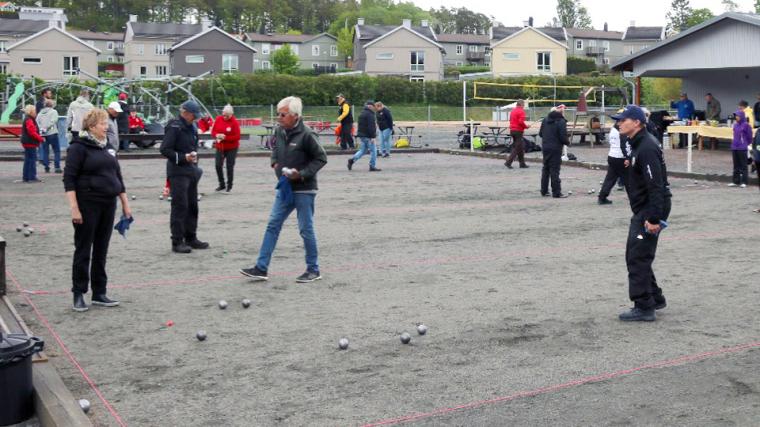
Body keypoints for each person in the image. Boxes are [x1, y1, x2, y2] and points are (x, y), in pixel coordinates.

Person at [240, 96, 327, 283]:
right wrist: (274, 162)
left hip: (304, 189)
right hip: (285, 188)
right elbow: (274, 148)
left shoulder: (307, 135)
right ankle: (261, 268)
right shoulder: (280, 131)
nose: (278, 117)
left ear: (295, 116)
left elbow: (321, 158)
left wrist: (302, 173)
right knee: (273, 225)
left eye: (283, 114)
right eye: (278, 113)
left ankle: (313, 269)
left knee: (306, 229)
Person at [63, 109, 132, 312]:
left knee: (102, 249)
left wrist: (125, 203)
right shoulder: (78, 147)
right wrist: (74, 208)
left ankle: (99, 292)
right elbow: (69, 179)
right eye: (103, 124)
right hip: (87, 204)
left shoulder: (108, 147)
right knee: (84, 249)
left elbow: (117, 176)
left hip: (108, 203)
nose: (107, 126)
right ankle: (78, 292)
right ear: (92, 126)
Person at [611, 105, 671, 322]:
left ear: (636, 122)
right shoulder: (637, 144)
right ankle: (655, 297)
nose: (618, 123)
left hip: (650, 208)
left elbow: (656, 185)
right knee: (639, 254)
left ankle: (644, 306)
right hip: (646, 207)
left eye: (622, 119)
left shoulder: (646, 146)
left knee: (637, 256)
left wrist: (654, 218)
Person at [160, 100, 209, 253]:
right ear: (185, 113)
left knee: (192, 205)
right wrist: (183, 157)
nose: (195, 119)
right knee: (180, 207)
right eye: (193, 116)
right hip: (177, 172)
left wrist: (193, 159)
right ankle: (177, 241)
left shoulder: (192, 126)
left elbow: (193, 145)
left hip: (191, 169)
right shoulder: (174, 126)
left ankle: (191, 237)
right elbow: (165, 149)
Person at [539, 105, 570, 198]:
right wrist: (567, 142)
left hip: (545, 147)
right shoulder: (561, 121)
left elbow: (540, 133)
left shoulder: (545, 120)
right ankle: (556, 192)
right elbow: (562, 136)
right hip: (555, 148)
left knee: (546, 169)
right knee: (554, 170)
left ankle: (544, 190)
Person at [597, 121, 629, 205]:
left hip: (612, 155)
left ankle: (602, 197)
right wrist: (627, 157)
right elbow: (623, 145)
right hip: (620, 157)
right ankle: (636, 197)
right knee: (630, 178)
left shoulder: (613, 129)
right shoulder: (621, 131)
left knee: (610, 179)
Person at [211, 104, 241, 193]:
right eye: (223, 114)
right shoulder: (218, 119)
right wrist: (217, 135)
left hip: (232, 147)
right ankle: (222, 184)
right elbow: (213, 131)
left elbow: (237, 136)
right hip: (220, 146)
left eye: (227, 115)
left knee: (229, 166)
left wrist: (225, 138)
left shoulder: (234, 122)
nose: (225, 117)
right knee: (217, 165)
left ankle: (229, 185)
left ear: (231, 114)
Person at [348, 100, 381, 172]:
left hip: (362, 135)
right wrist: (373, 137)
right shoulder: (370, 114)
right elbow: (371, 126)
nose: (374, 108)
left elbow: (360, 125)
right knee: (374, 151)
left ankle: (352, 160)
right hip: (368, 136)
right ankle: (372, 166)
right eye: (373, 106)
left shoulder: (362, 113)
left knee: (363, 150)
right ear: (370, 106)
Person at [20, 104, 44, 183]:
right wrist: (40, 139)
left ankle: (26, 177)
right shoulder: (29, 120)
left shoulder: (28, 118)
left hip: (27, 142)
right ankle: (32, 177)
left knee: (27, 160)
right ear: (31, 112)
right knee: (32, 160)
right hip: (30, 142)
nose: (36, 112)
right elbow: (32, 132)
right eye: (35, 111)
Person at [37, 99, 61, 173]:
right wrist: (47, 128)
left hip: (43, 134)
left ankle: (46, 167)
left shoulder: (40, 113)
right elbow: (54, 121)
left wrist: (42, 129)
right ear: (52, 105)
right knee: (56, 150)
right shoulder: (54, 112)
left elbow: (37, 122)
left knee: (45, 151)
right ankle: (57, 167)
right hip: (52, 133)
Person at [728, 109, 752, 188]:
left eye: (738, 116)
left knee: (743, 165)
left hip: (742, 148)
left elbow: (749, 137)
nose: (736, 117)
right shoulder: (735, 124)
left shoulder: (746, 125)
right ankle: (736, 181)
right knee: (736, 166)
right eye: (736, 116)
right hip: (735, 147)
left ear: (741, 116)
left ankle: (744, 182)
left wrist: (745, 144)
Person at [505, 99, 529, 169]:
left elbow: (511, 120)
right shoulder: (521, 111)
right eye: (524, 104)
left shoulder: (513, 111)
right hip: (518, 131)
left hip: (512, 130)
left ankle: (522, 164)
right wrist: (526, 126)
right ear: (521, 104)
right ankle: (508, 162)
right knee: (517, 147)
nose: (524, 106)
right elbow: (521, 122)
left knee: (520, 147)